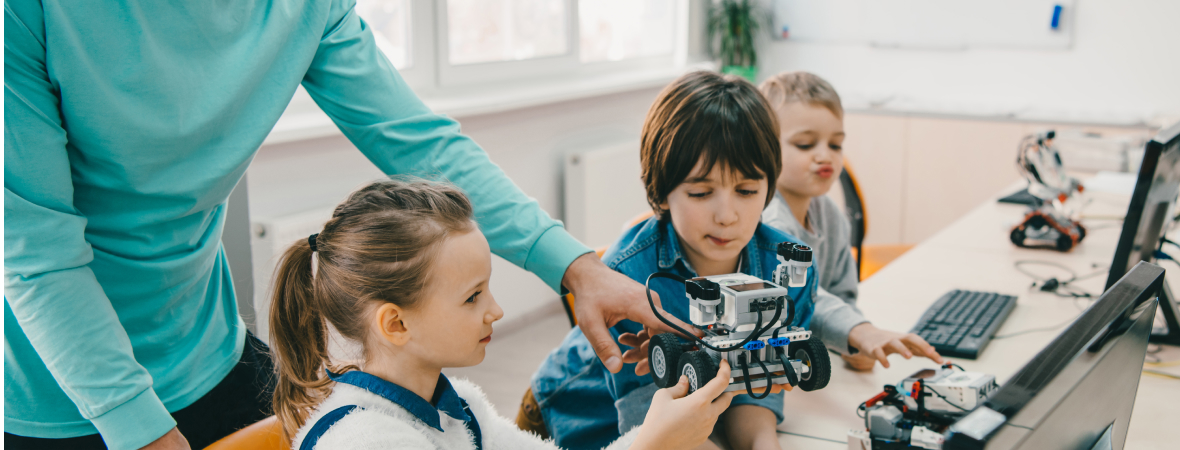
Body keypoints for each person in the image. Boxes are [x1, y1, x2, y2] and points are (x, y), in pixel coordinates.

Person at [3, 2, 681, 449]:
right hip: (59, 389)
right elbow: (37, 254)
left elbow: (420, 144)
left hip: (206, 348)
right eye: (474, 296)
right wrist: (141, 429)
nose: (495, 311)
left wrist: (574, 265)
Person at [267, 179, 735, 450]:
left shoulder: (460, 409)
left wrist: (656, 435)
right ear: (396, 323)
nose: (496, 311)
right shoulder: (365, 442)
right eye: (473, 297)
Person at [528, 72, 809, 450]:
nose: (727, 215)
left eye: (746, 190)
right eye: (700, 192)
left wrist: (762, 443)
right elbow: (652, 426)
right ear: (661, 194)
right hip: (581, 416)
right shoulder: (631, 275)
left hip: (700, 416)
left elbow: (754, 386)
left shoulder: (787, 268)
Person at [756, 72, 945, 372]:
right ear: (763, 148)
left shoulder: (829, 215)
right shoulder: (771, 222)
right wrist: (858, 331)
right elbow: (799, 297)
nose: (824, 156)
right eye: (805, 145)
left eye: (835, 144)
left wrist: (853, 343)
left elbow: (843, 293)